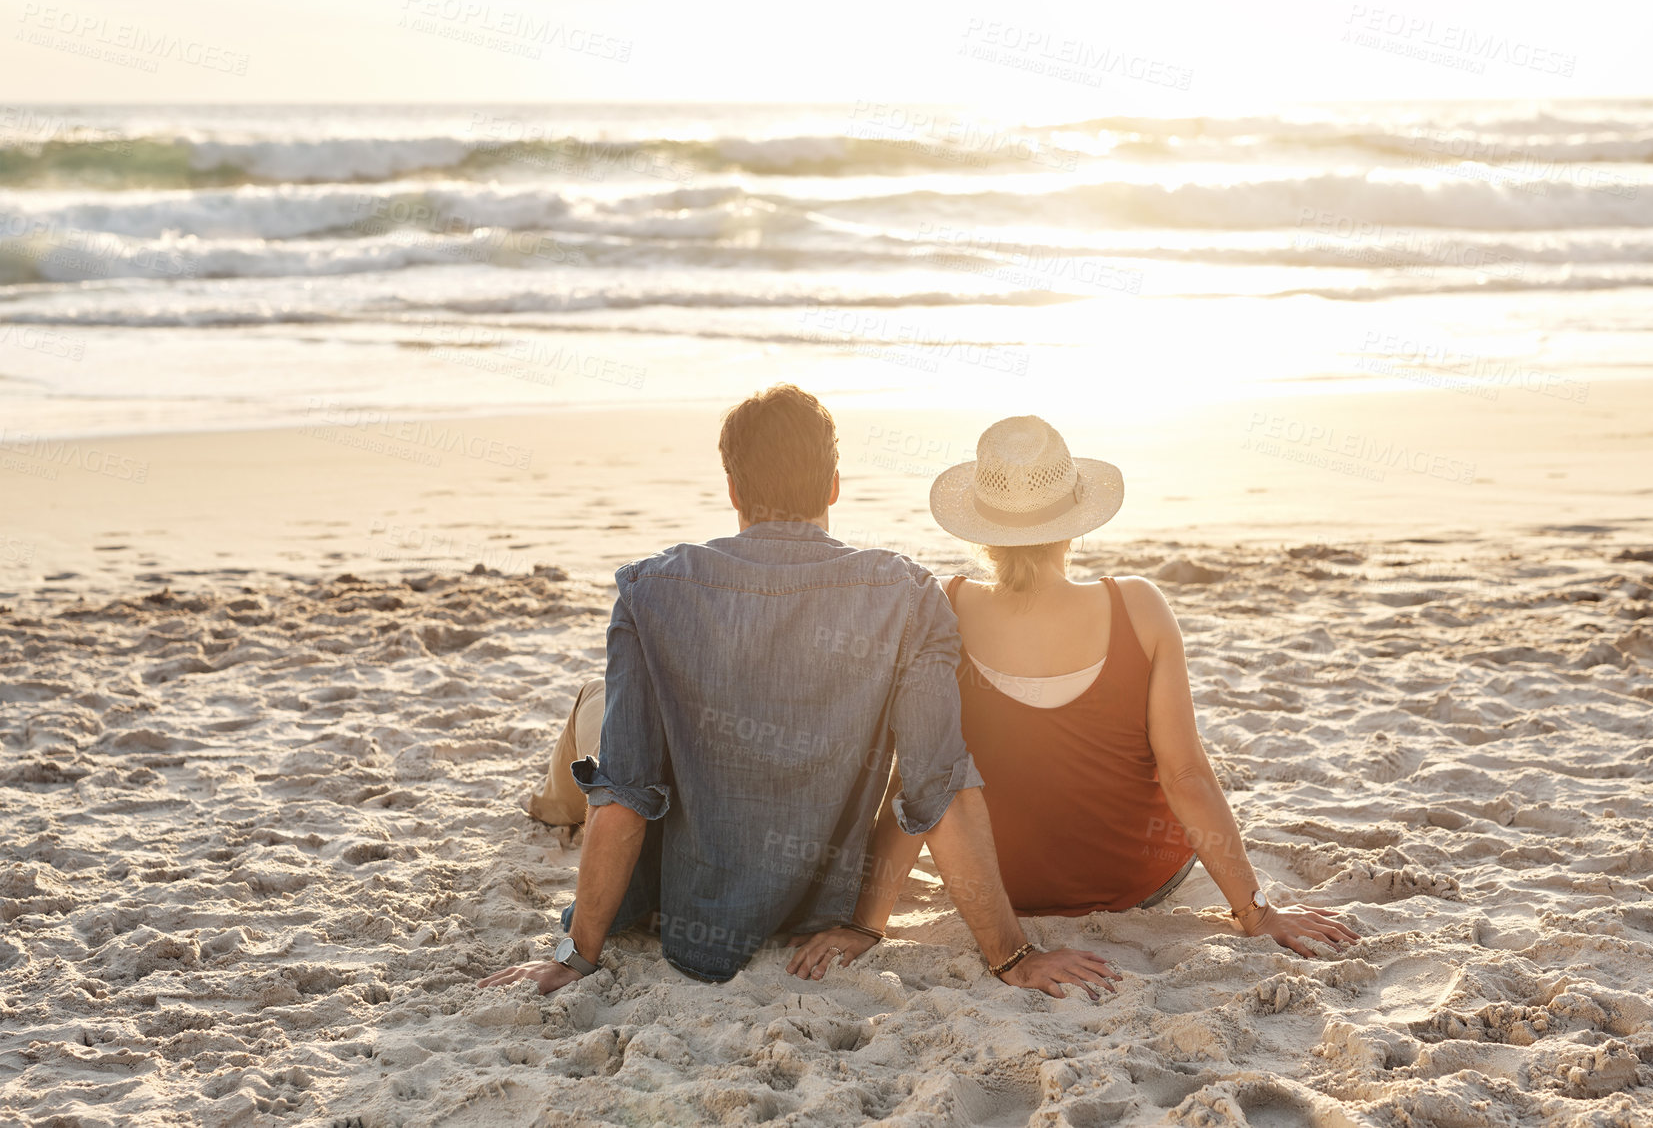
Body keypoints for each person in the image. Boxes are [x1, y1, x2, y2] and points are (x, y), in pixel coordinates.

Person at [481, 387, 1115, 998]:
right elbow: (938, 786)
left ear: (732, 488)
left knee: (597, 714)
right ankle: (557, 801)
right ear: (834, 485)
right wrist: (1013, 955)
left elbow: (625, 792)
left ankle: (552, 806)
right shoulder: (909, 596)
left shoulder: (650, 590)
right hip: (820, 913)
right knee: (604, 715)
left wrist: (577, 955)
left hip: (685, 916)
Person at [786, 416, 1359, 979]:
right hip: (1138, 883)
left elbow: (915, 784)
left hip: (1007, 891)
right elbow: (1186, 777)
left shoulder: (942, 608)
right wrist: (1257, 913)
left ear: (982, 529)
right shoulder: (1140, 607)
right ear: (1075, 522)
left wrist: (867, 925)